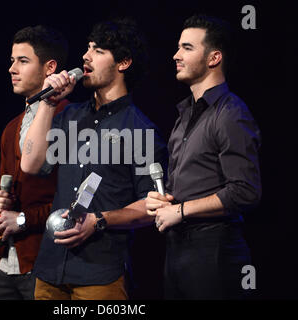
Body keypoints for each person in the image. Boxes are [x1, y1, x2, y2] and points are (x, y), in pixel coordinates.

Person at [20, 18, 168, 300]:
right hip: (51, 268)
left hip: (100, 274)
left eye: (98, 51)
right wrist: (48, 104)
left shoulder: (140, 130)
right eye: (88, 48)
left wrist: (98, 220)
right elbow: (30, 163)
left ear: (123, 63)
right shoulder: (69, 115)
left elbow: (151, 205)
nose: (86, 56)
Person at [145, 14, 261, 299]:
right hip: (177, 251)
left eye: (187, 48)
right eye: (178, 47)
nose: (176, 55)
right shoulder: (184, 115)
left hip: (214, 253)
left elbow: (246, 191)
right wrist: (162, 199)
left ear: (213, 58)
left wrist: (181, 211)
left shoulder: (231, 113)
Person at [0, 25, 69, 300]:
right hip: (6, 261)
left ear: (50, 68)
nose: (12, 68)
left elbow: (76, 201)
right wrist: (0, 202)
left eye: (23, 61)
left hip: (45, 263)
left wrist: (23, 219)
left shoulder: (70, 119)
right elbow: (8, 192)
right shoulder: (11, 127)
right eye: (12, 60)